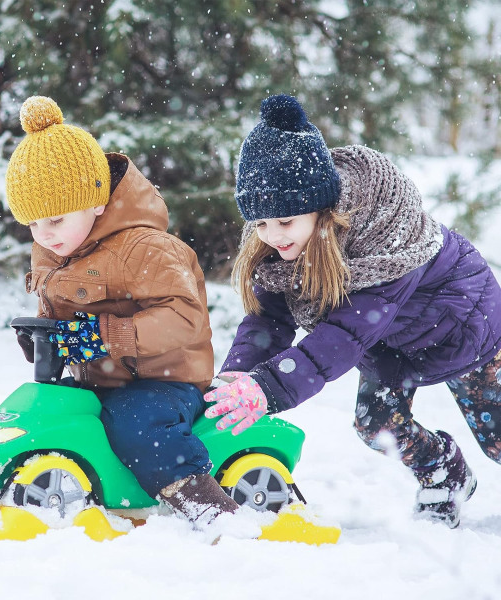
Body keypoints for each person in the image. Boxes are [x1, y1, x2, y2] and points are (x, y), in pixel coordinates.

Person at [204, 93, 501, 528]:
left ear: (324, 211)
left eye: (285, 222)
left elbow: (340, 338)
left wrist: (269, 386)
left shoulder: (384, 247)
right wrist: (237, 378)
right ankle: (444, 472)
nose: (273, 236)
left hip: (464, 329)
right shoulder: (280, 246)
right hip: (393, 345)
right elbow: (269, 321)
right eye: (261, 224)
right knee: (375, 424)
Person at [5, 95, 241, 528]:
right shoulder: (54, 251)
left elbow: (186, 317)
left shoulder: (145, 248)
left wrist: (108, 336)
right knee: (49, 414)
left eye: (55, 220)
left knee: (139, 425)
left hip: (163, 383)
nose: (44, 235)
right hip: (98, 381)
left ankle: (206, 505)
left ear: (96, 201)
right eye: (33, 224)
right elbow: (59, 314)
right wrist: (48, 339)